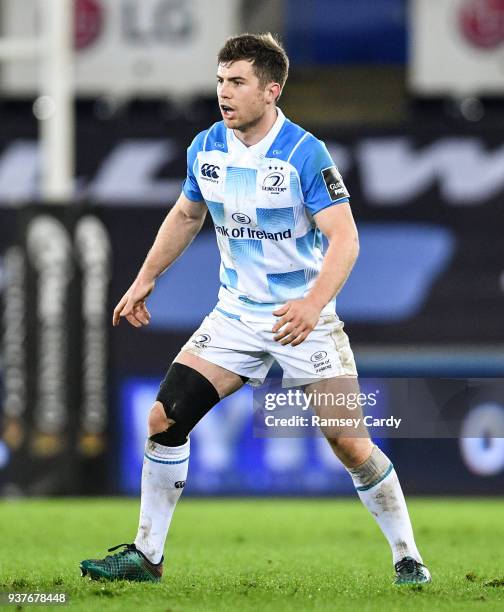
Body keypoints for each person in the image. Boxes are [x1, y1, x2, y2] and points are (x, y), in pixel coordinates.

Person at [80, 33, 430, 586]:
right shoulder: (207, 147)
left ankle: (408, 557)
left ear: (272, 89)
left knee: (349, 442)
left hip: (303, 319)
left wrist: (314, 304)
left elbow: (345, 239)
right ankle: (146, 558)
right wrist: (146, 278)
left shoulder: (302, 153)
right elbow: (186, 216)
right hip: (236, 317)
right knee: (164, 418)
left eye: (237, 82)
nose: (224, 92)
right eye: (220, 80)